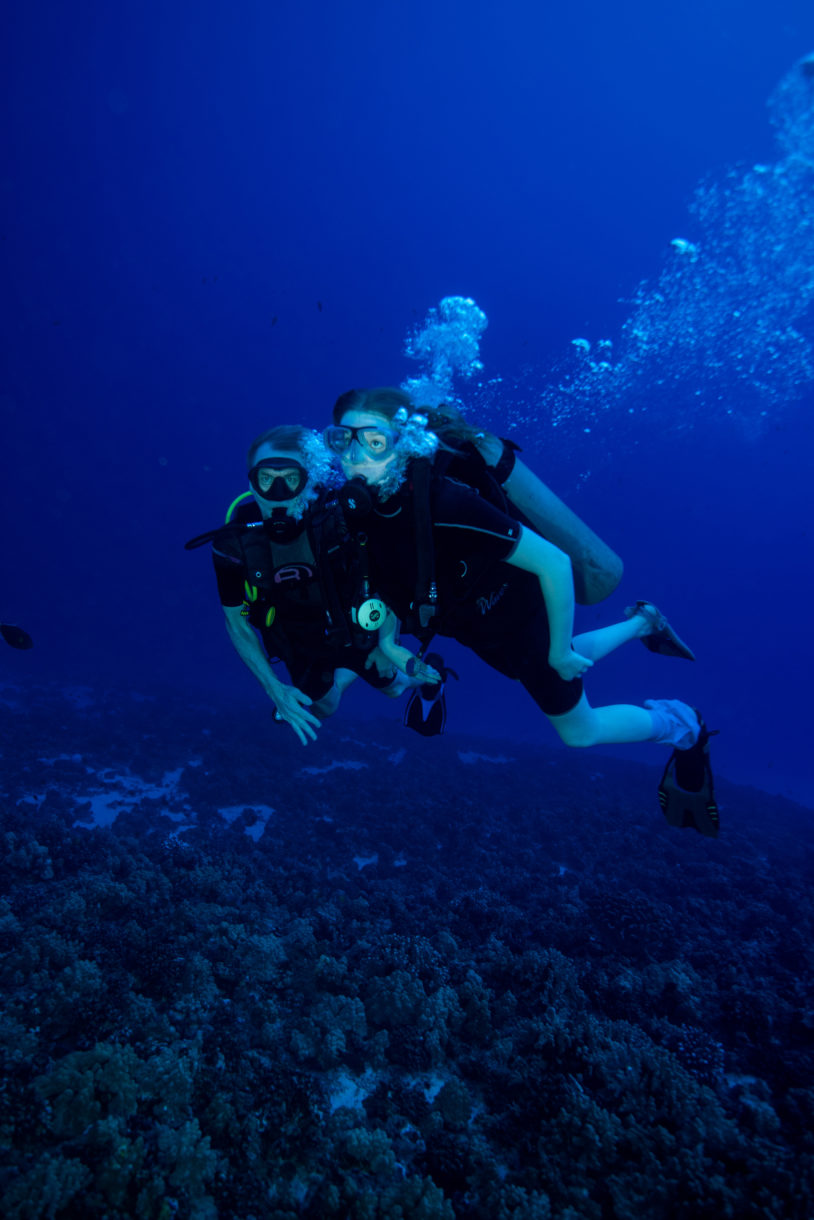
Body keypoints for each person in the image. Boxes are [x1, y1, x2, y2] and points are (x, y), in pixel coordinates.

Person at [324, 387, 718, 836]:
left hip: (521, 613)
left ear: (402, 442)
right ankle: (644, 622)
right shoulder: (364, 513)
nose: (355, 456)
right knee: (550, 659)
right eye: (342, 441)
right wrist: (393, 649)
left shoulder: (444, 503)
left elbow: (554, 562)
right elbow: (392, 588)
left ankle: (682, 722)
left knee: (579, 731)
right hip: (480, 628)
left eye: (373, 442)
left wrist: (558, 654)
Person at [186, 425, 438, 746]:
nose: (279, 494)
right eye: (267, 479)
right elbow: (236, 623)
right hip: (298, 640)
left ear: (310, 479)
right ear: (250, 481)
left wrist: (387, 641)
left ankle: (427, 683)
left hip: (360, 629)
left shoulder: (341, 516)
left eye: (291, 479)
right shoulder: (233, 545)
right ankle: (347, 672)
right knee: (326, 707)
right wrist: (274, 688)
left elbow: (386, 574)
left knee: (393, 688)